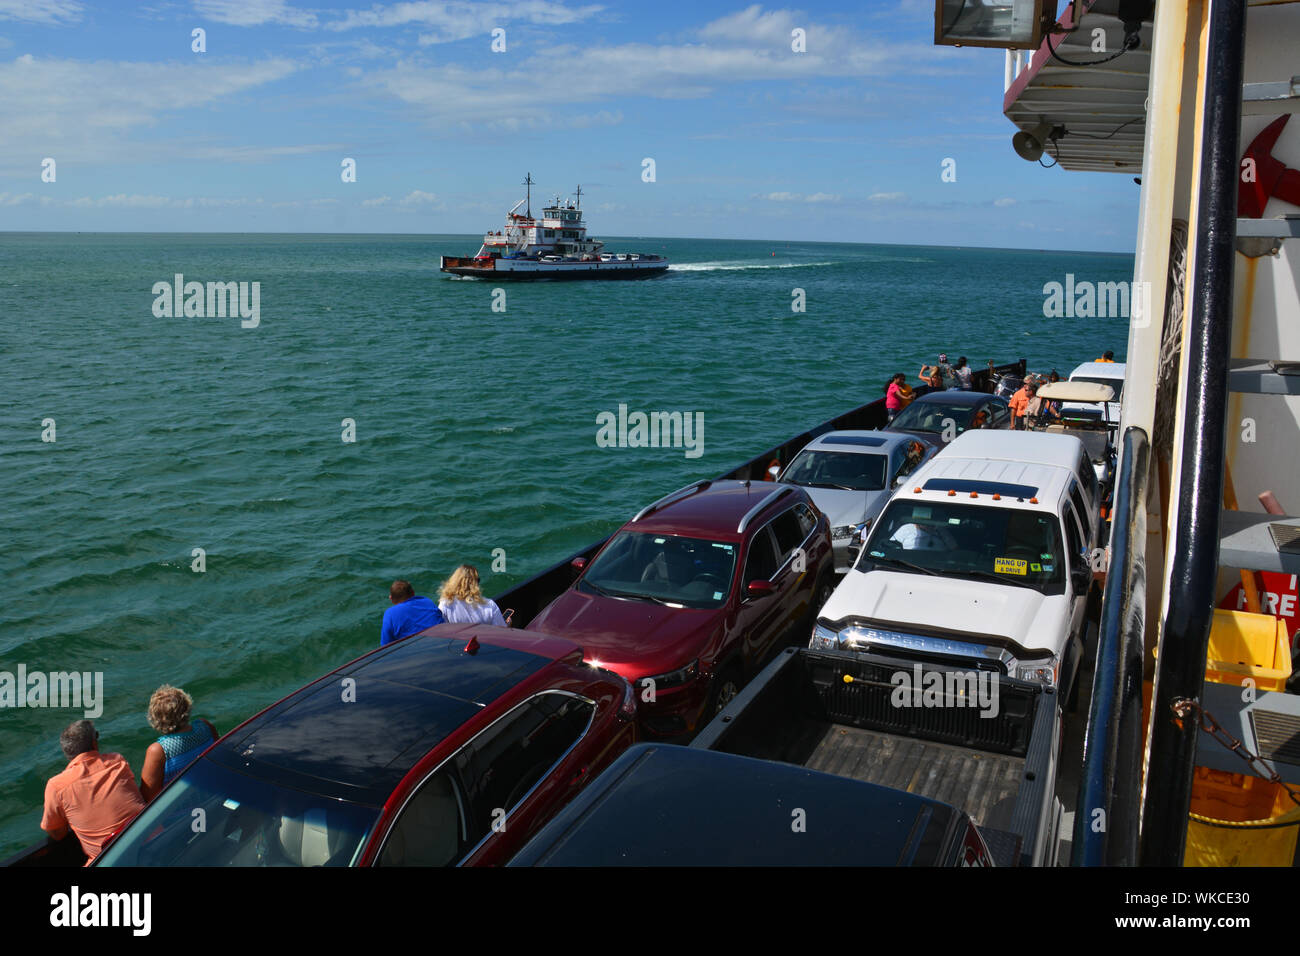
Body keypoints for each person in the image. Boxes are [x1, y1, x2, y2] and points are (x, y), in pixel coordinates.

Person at [41, 719, 145, 863]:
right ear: (94, 743)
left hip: (111, 861)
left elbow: (57, 833)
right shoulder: (117, 761)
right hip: (153, 841)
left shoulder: (56, 786)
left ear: (67, 752)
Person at [140, 685, 218, 801]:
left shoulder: (159, 751)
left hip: (183, 811)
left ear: (154, 717)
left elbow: (149, 797)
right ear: (187, 708)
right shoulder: (205, 726)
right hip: (214, 794)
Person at [380, 579, 445, 645]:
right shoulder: (427, 601)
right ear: (413, 593)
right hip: (441, 644)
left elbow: (385, 645)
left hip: (417, 651)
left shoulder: (390, 614)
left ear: (391, 599)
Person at [438, 564, 507, 626]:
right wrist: (508, 624)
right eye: (478, 580)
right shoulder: (489, 605)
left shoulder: (445, 605)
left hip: (458, 640)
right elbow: (501, 633)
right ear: (475, 584)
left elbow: (443, 632)